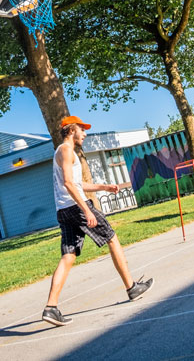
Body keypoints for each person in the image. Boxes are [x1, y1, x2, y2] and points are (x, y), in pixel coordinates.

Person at [42, 115, 153, 326]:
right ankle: (132, 287)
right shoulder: (66, 150)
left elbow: (77, 184)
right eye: (82, 129)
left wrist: (104, 187)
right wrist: (87, 210)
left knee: (69, 255)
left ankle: (51, 307)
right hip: (76, 207)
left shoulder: (63, 152)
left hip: (64, 210)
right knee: (112, 238)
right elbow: (69, 184)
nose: (85, 134)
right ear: (71, 130)